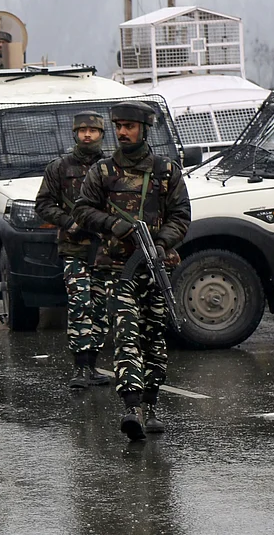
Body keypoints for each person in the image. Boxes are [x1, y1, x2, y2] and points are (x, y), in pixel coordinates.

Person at [73, 101, 191, 441]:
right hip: (115, 269)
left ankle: (151, 405)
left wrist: (160, 243)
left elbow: (181, 215)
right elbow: (83, 210)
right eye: (119, 126)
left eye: (130, 126)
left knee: (154, 336)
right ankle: (131, 406)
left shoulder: (166, 171)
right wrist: (115, 226)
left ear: (144, 129)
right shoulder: (103, 172)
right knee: (126, 336)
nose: (123, 132)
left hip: (155, 267)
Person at [35, 111, 110, 389]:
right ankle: (80, 367)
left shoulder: (111, 167)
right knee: (80, 304)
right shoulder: (60, 168)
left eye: (92, 130)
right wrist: (69, 222)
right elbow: (43, 204)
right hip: (74, 248)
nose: (87, 135)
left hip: (106, 249)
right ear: (75, 134)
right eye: (82, 130)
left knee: (101, 307)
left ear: (102, 134)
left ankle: (92, 364)